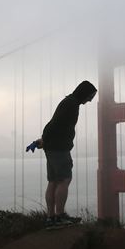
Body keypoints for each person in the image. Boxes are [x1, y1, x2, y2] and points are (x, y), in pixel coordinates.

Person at [26, 80, 97, 227]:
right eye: (91, 96)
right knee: (64, 180)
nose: (91, 100)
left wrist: (43, 141)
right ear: (84, 93)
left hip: (53, 148)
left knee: (53, 181)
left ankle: (51, 218)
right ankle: (59, 216)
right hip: (59, 149)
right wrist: (43, 140)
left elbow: (54, 125)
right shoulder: (71, 104)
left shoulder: (69, 102)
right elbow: (55, 125)